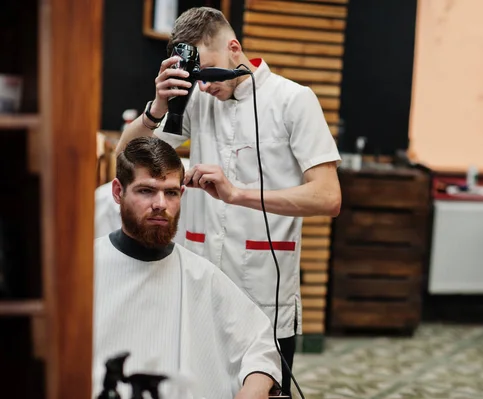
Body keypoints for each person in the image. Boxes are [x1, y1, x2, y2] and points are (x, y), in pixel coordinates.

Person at [115, 7, 342, 394]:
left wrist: (238, 195)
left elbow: (328, 197)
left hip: (263, 294)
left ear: (234, 48)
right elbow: (125, 161)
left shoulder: (293, 100)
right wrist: (157, 107)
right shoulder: (197, 101)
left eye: (210, 71)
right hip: (195, 291)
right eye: (196, 77)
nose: (204, 86)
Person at [93, 137, 282, 399]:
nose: (160, 204)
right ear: (118, 192)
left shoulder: (200, 275)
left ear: (181, 195)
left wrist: (253, 389)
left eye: (170, 192)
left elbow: (260, 345)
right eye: (146, 190)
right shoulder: (87, 267)